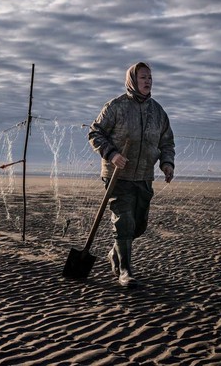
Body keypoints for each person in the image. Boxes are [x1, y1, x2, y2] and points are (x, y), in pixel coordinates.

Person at [88, 61, 175, 287]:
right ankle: (125, 271)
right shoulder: (115, 106)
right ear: (132, 80)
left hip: (144, 175)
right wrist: (112, 154)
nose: (148, 81)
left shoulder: (158, 111)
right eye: (143, 77)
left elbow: (167, 142)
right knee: (124, 222)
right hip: (118, 175)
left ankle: (115, 252)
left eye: (150, 77)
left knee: (138, 226)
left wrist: (167, 163)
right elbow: (95, 133)